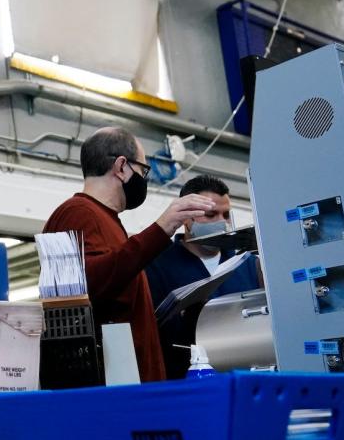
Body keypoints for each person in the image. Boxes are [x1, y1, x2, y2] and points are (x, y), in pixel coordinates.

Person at [42, 127, 215, 383]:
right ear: (121, 167)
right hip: (113, 392)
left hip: (129, 385)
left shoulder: (102, 219)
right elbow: (87, 286)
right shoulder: (77, 214)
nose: (144, 179)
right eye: (143, 170)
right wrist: (161, 229)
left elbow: (114, 293)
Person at [145, 174, 260, 379]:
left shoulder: (247, 264)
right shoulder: (157, 265)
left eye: (226, 215)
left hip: (242, 379)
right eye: (210, 215)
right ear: (186, 219)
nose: (221, 223)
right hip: (184, 382)